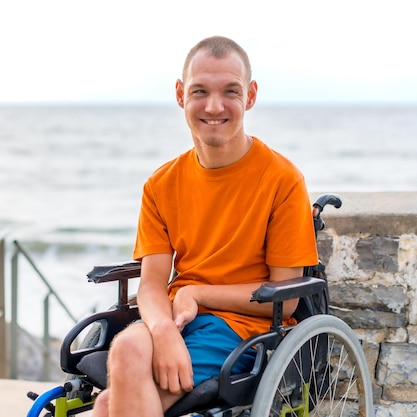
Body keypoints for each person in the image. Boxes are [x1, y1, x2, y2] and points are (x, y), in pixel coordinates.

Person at [92, 36, 318, 417]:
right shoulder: (161, 184)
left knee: (107, 405)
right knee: (127, 352)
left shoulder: (282, 180)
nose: (214, 106)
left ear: (250, 95)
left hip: (242, 330)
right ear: (181, 94)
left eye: (230, 91)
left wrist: (199, 293)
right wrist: (163, 331)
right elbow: (151, 284)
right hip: (179, 318)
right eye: (200, 91)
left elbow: (288, 297)